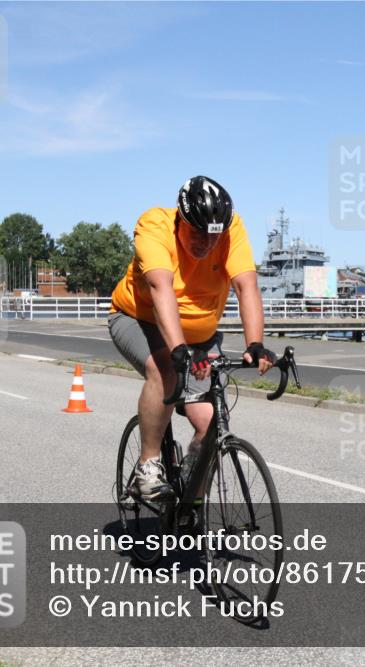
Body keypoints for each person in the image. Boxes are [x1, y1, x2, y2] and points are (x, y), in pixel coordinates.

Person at [109, 176, 274, 501]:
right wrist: (179, 350)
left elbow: (246, 286)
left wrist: (255, 342)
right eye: (197, 234)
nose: (207, 244)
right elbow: (161, 290)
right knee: (166, 370)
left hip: (200, 333)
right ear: (180, 221)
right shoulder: (155, 225)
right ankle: (148, 466)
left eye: (213, 237)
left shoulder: (230, 229)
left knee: (211, 422)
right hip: (139, 319)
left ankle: (191, 501)